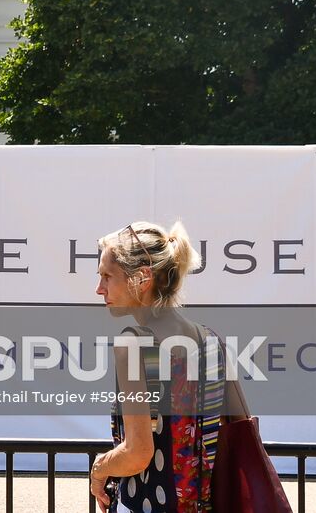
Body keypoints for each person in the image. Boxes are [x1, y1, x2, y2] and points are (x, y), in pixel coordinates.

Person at [88, 220, 249, 513]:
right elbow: (243, 431)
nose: (99, 288)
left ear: (143, 277)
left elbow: (138, 453)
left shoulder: (134, 344)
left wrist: (99, 469)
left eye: (107, 276)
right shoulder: (211, 342)